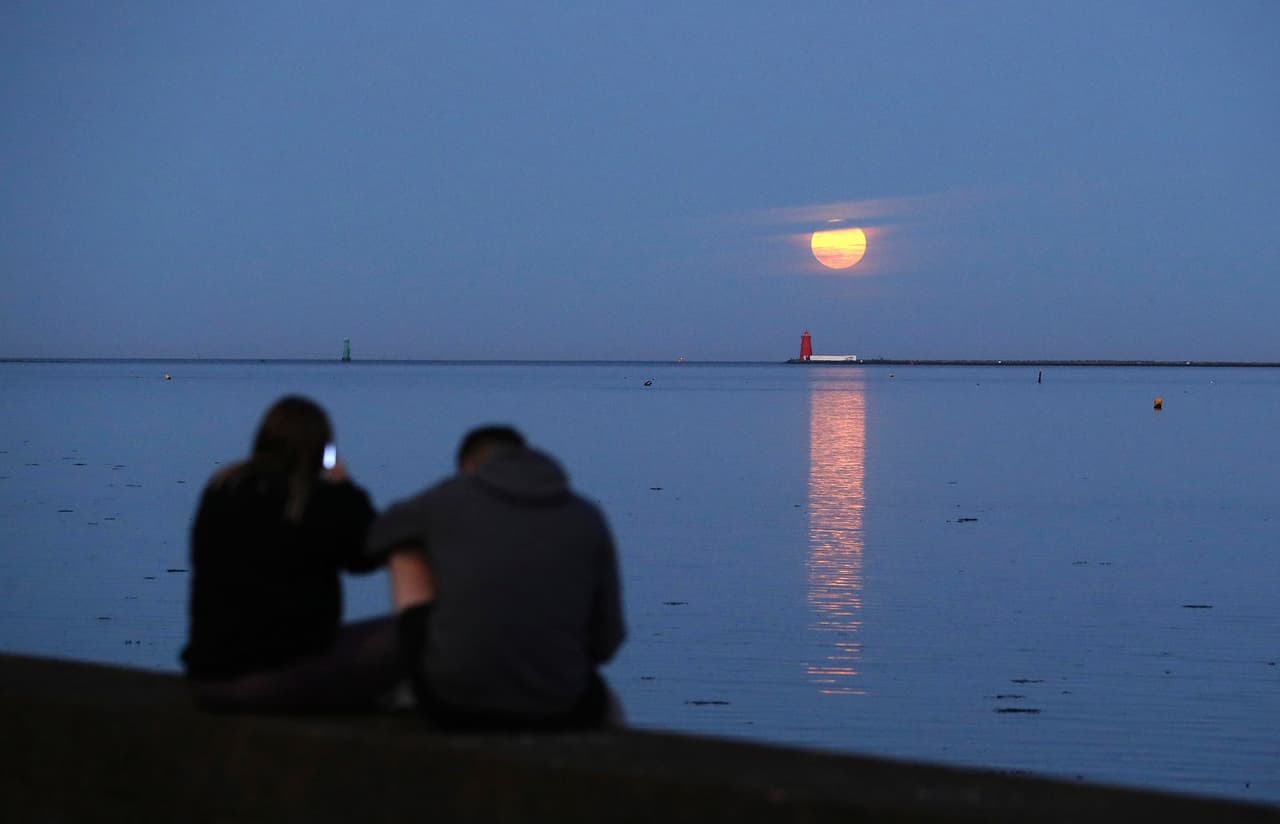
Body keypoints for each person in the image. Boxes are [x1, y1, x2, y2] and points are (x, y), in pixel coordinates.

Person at [367, 425, 625, 731]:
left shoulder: (447, 500)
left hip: (454, 702)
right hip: (562, 704)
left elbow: (374, 540)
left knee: (405, 552)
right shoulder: (585, 516)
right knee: (610, 706)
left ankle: (439, 661)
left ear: (469, 467)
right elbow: (607, 640)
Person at [181, 396, 402, 711]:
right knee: (415, 630)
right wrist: (346, 488)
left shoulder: (221, 488)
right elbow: (368, 555)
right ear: (322, 450)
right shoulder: (320, 501)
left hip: (208, 676)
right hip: (282, 675)